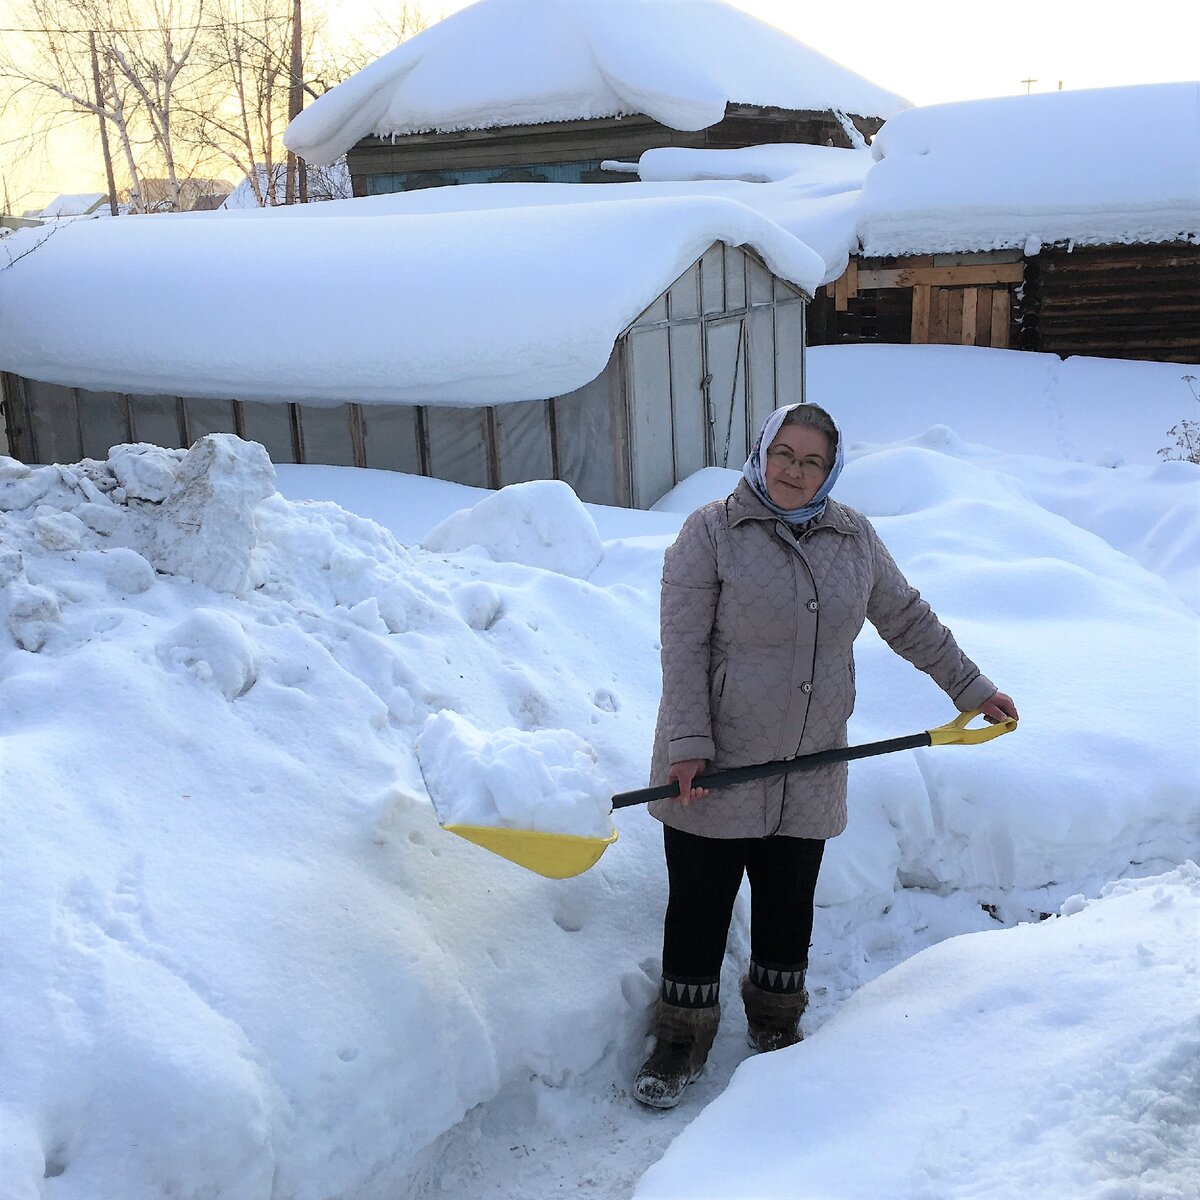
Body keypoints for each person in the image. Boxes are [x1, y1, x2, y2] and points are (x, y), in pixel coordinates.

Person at [633, 401, 1018, 1110]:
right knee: (698, 907)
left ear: (831, 469)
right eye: (784, 453)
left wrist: (973, 687)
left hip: (810, 760)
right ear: (761, 451)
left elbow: (908, 620)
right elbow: (682, 649)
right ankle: (680, 1039)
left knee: (788, 906)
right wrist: (688, 746)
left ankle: (776, 1025)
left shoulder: (853, 538)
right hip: (715, 763)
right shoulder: (712, 532)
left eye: (812, 460)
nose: (794, 471)